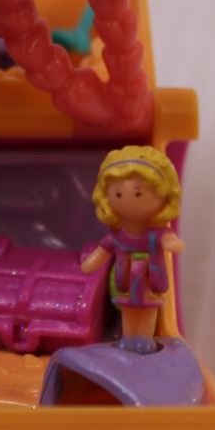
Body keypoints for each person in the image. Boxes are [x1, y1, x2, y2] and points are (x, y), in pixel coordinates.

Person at [80, 146, 185, 353]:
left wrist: (172, 243)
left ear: (164, 194)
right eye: (118, 193)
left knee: (148, 309)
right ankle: (129, 337)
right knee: (127, 309)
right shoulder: (118, 236)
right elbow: (103, 250)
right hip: (124, 281)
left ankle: (144, 337)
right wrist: (91, 263)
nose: (129, 199)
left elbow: (168, 239)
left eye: (138, 193)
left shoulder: (156, 235)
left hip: (151, 281)